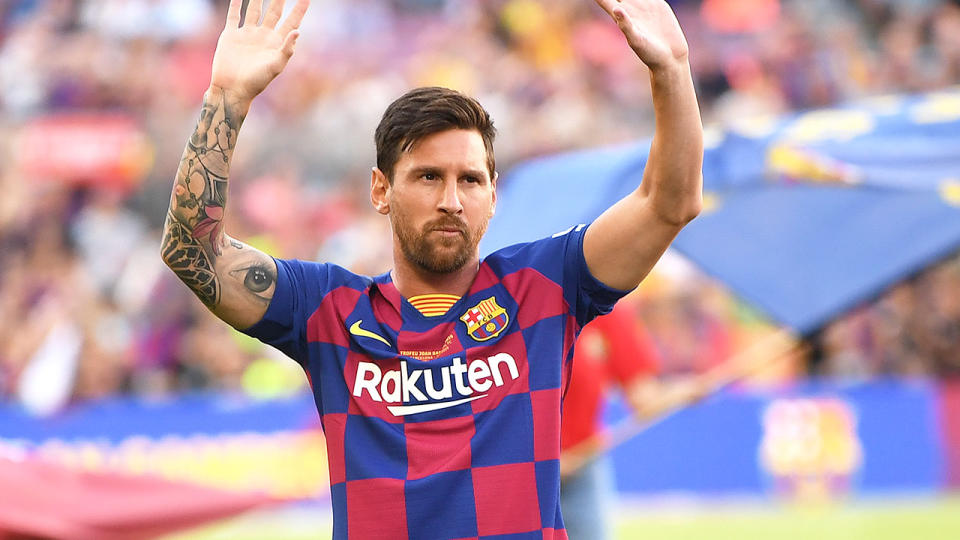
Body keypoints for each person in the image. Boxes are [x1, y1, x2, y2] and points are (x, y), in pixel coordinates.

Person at [160, 0, 702, 537]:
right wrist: (226, 98)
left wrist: (672, 69)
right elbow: (192, 250)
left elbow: (667, 204)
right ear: (381, 190)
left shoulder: (545, 284)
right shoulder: (325, 309)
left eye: (469, 179)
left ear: (493, 196)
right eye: (427, 177)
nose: (451, 199)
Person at [559, 301, 707, 540]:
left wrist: (685, 390)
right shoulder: (517, 299)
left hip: (582, 463)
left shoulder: (606, 309)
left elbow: (643, 397)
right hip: (519, 467)